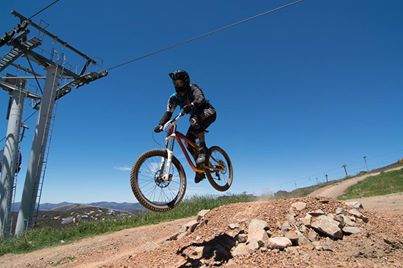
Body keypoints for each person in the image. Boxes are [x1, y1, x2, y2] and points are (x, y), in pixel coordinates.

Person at [154, 70, 216, 183]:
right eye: (175, 83)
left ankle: (202, 150)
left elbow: (200, 98)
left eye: (180, 82)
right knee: (188, 142)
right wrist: (160, 124)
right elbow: (168, 113)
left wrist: (192, 104)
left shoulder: (193, 88)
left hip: (208, 112)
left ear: (186, 81)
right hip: (195, 119)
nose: (178, 85)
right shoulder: (174, 98)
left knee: (194, 119)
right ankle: (200, 171)